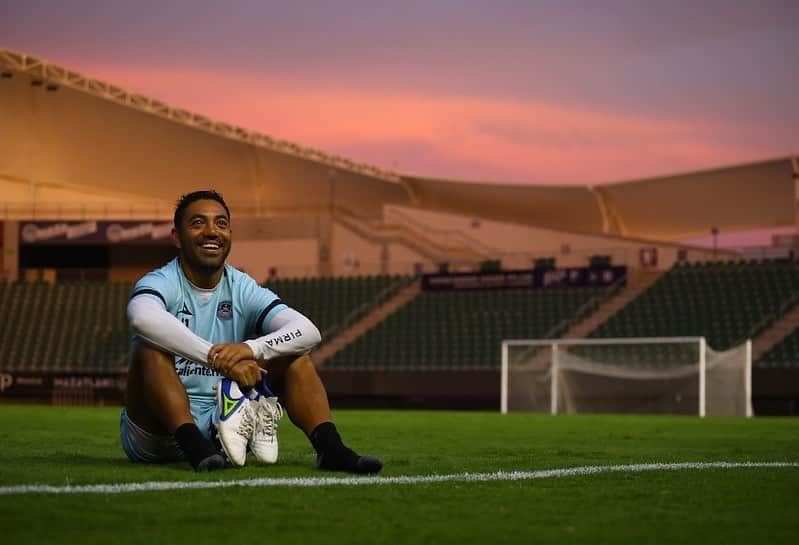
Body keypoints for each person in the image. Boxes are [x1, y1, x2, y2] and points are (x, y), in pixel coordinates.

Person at [120, 189, 382, 473]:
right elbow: (142, 319)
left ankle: (331, 449)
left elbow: (308, 331)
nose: (211, 231)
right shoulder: (162, 281)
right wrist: (215, 358)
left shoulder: (242, 287)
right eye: (197, 223)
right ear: (176, 237)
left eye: (220, 224)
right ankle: (193, 443)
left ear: (230, 234)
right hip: (156, 432)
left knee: (296, 355)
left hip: (219, 422)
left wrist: (251, 349)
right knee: (149, 346)